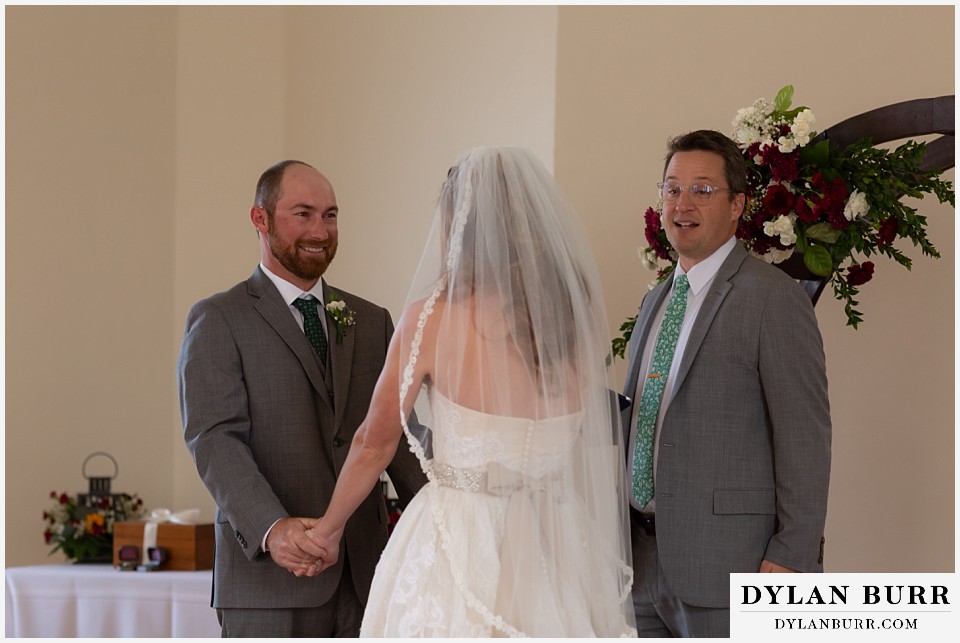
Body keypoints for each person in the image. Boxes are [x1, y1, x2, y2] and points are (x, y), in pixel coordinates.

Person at [301, 146, 637, 637]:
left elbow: (374, 443)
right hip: (558, 539)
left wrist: (328, 531)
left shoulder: (433, 318)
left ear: (460, 225)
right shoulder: (568, 319)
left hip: (460, 538)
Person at [177, 160, 426, 637]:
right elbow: (214, 440)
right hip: (268, 584)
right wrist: (273, 528)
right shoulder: (218, 319)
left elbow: (399, 437)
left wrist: (459, 506)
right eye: (303, 214)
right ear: (260, 219)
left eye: (330, 215)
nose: (320, 230)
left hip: (367, 581)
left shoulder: (372, 321)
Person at [621, 130, 831, 637]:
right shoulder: (656, 301)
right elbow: (645, 414)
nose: (682, 204)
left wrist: (791, 562)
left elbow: (805, 439)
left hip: (734, 569)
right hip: (641, 566)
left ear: (738, 205)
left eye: (702, 189)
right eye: (671, 189)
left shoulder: (773, 299)